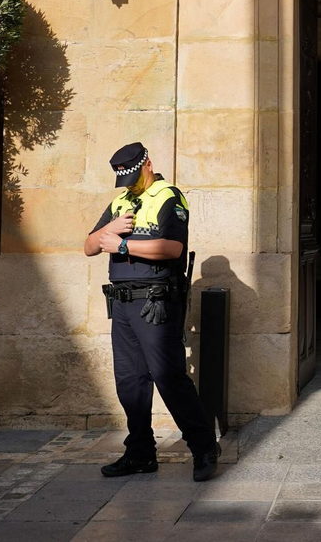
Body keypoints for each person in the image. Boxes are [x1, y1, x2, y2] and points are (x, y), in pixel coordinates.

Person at [85, 142, 220, 482]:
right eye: (124, 179)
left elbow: (172, 248)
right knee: (130, 380)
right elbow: (88, 247)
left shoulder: (168, 197)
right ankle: (141, 452)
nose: (129, 184)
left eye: (133, 176)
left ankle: (204, 447)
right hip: (122, 303)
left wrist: (123, 244)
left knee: (168, 376)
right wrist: (108, 230)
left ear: (148, 164)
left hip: (156, 303)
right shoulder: (120, 202)